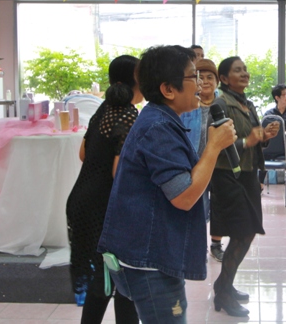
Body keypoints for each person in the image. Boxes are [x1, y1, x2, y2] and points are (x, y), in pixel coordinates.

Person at [97, 46, 236, 323]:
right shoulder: (158, 127)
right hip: (150, 258)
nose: (200, 84)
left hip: (153, 251)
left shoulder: (162, 119)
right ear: (168, 89)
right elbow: (184, 196)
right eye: (193, 76)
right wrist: (214, 147)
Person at [66, 55, 143, 324]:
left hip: (82, 199)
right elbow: (119, 173)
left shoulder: (104, 109)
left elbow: (83, 153)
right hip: (105, 205)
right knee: (122, 278)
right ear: (136, 80)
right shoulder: (128, 114)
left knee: (103, 277)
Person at [210, 56, 279, 317]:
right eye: (237, 70)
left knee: (245, 232)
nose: (245, 73)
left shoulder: (246, 103)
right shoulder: (220, 105)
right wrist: (246, 142)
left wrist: (264, 137)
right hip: (228, 175)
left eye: (245, 69)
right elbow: (214, 147)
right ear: (224, 78)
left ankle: (223, 284)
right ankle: (223, 292)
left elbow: (253, 138)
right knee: (242, 232)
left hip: (247, 174)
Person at [179, 58, 226, 262]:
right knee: (197, 207)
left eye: (210, 77)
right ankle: (194, 246)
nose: (205, 81)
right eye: (201, 77)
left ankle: (216, 245)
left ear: (217, 81)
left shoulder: (224, 104)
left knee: (219, 207)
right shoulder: (188, 104)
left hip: (221, 165)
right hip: (194, 165)